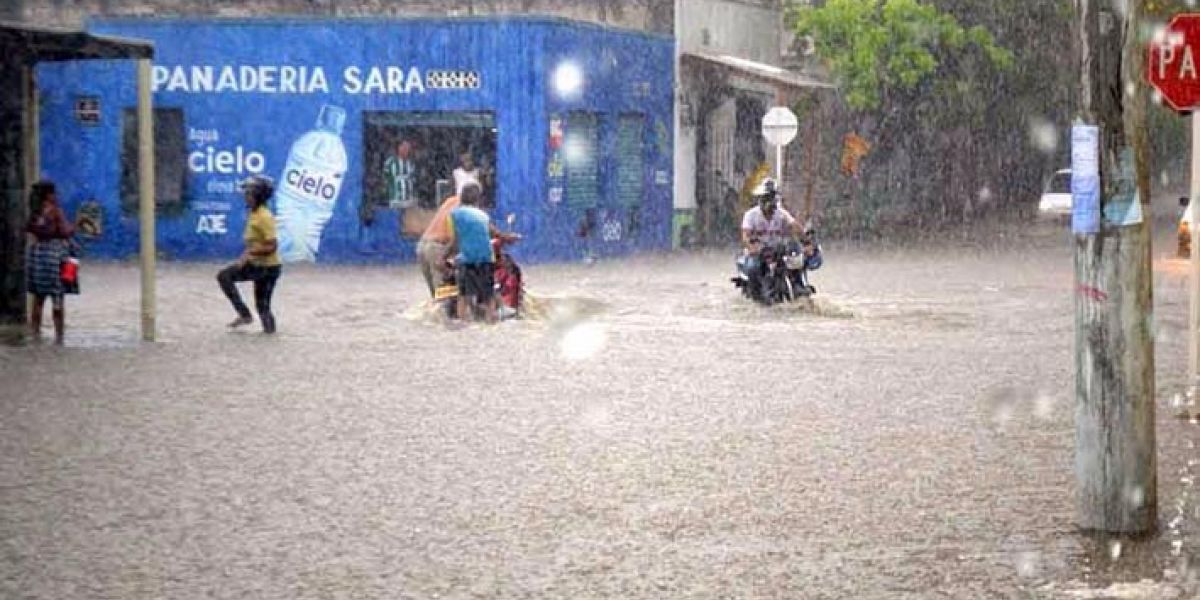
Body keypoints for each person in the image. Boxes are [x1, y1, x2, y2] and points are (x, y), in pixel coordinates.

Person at [416, 183, 517, 297]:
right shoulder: (467, 211)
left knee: (437, 294)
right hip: (438, 247)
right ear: (477, 197)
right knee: (445, 295)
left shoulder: (451, 201)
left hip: (423, 246)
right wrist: (504, 237)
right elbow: (483, 228)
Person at [217, 175, 282, 334]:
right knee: (224, 277)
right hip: (257, 265)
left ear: (258, 196)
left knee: (262, 307)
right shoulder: (255, 213)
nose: (245, 197)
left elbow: (272, 246)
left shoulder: (264, 216)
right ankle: (247, 316)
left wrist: (249, 252)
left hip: (267, 268)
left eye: (249, 193)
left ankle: (264, 331)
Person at [25, 180, 74, 344]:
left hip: (38, 256)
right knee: (57, 297)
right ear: (49, 194)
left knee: (38, 299)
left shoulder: (34, 213)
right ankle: (59, 338)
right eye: (54, 193)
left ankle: (35, 335)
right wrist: (79, 223)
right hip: (55, 256)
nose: (57, 196)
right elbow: (66, 232)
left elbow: (32, 230)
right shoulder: (55, 212)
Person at [737, 177, 807, 290]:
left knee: (798, 264)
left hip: (778, 251)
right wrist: (752, 247)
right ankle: (756, 292)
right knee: (753, 268)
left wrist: (806, 239)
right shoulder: (750, 215)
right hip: (759, 253)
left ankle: (800, 285)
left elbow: (794, 226)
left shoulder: (781, 214)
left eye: (771, 198)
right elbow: (745, 235)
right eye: (765, 198)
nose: (768, 202)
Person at [442, 184, 498, 323]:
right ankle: (491, 318)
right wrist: (507, 237)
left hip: (467, 259)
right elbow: (493, 233)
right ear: (478, 199)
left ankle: (462, 320)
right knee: (488, 295)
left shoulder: (455, 214)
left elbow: (455, 241)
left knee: (464, 295)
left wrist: (444, 256)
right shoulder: (483, 215)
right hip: (486, 258)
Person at [384, 139, 417, 210]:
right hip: (395, 199)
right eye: (404, 147)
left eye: (408, 148)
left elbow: (414, 179)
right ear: (399, 148)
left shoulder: (411, 162)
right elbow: (386, 178)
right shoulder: (390, 162)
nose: (406, 150)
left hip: (409, 199)